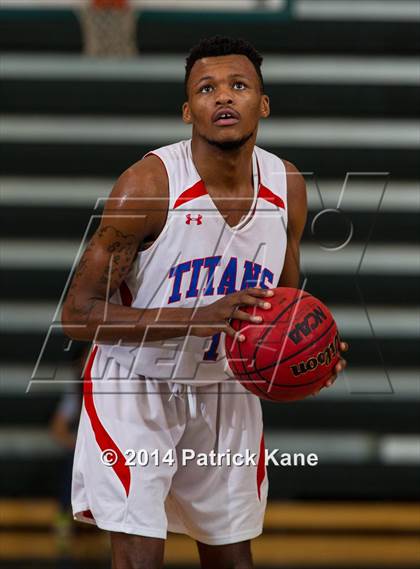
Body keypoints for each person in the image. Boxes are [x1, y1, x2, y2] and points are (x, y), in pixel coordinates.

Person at [62, 36, 348, 569]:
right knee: (139, 555)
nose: (223, 98)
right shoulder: (148, 185)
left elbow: (284, 300)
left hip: (225, 389)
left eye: (238, 86)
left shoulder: (286, 186)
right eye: (207, 88)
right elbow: (77, 316)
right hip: (136, 388)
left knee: (233, 558)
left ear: (262, 104)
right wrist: (198, 318)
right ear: (187, 109)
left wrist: (310, 349)